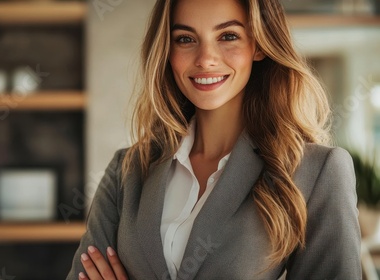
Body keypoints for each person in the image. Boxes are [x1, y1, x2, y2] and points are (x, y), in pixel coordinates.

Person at [67, 0, 361, 279]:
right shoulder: (127, 170)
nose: (206, 59)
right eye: (185, 39)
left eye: (228, 36)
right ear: (167, 50)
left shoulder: (317, 171)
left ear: (258, 45)